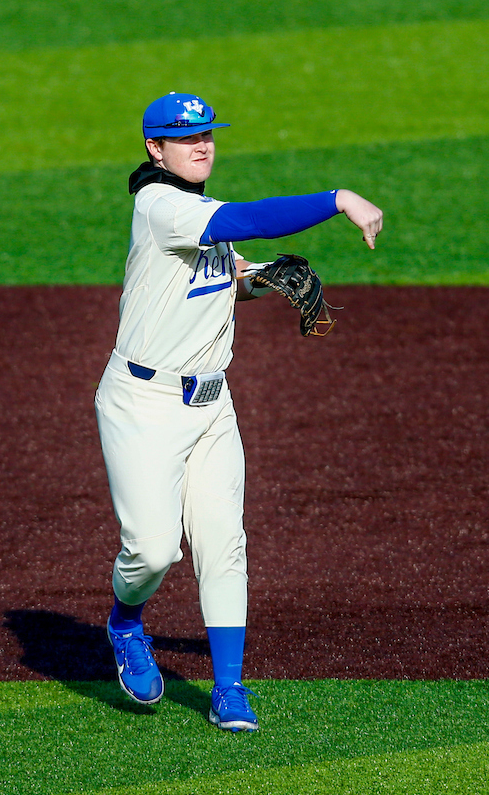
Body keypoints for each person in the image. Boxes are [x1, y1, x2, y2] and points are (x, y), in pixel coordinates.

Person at [94, 92, 382, 732]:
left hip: (211, 407)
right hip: (144, 405)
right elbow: (247, 221)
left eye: (207, 135)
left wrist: (267, 281)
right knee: (153, 552)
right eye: (184, 138)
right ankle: (125, 623)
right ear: (155, 149)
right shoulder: (161, 206)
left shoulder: (196, 211)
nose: (201, 146)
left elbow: (222, 278)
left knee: (224, 543)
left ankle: (229, 688)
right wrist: (338, 199)